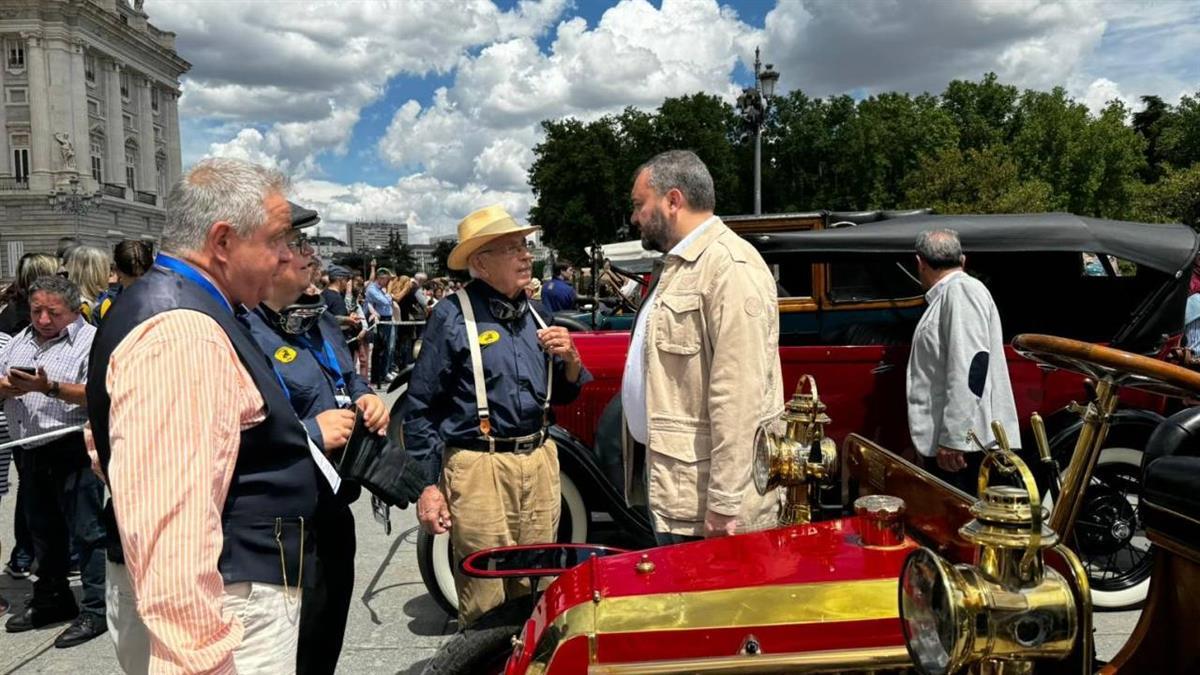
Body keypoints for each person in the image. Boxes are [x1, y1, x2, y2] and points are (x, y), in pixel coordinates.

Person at [86, 157, 320, 673]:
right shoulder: (183, 333)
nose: (286, 257)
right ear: (222, 242)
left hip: (233, 584)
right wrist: (200, 659)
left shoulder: (171, 306)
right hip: (225, 604)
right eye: (277, 239)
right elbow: (174, 542)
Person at [403, 204, 590, 626]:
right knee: (486, 590)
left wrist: (572, 359)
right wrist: (427, 488)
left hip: (540, 461)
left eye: (524, 246)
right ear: (481, 263)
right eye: (511, 248)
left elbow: (561, 395)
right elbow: (420, 408)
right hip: (478, 466)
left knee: (538, 582)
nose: (526, 255)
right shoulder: (452, 315)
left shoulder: (536, 313)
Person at [243, 204, 388, 675]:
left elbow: (350, 377)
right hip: (281, 527)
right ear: (270, 258)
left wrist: (369, 400)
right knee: (287, 654)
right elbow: (226, 435)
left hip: (333, 512)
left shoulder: (318, 319)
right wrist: (311, 432)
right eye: (299, 245)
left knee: (326, 643)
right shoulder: (242, 332)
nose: (311, 255)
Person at [621, 150, 784, 545]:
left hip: (704, 504)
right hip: (679, 489)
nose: (634, 218)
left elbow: (740, 396)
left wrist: (725, 502)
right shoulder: (679, 266)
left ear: (673, 201)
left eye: (640, 205)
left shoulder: (730, 267)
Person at [1, 275, 105, 648]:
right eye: (36, 310)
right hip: (29, 449)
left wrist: (49, 388)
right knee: (42, 532)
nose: (43, 320)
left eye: (53, 312)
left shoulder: (92, 342)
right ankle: (52, 599)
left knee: (88, 533)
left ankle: (96, 609)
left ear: (74, 311)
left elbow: (101, 396)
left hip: (72, 449)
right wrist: (7, 387)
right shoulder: (18, 340)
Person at [906, 228, 1020, 493]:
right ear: (963, 260)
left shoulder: (960, 292)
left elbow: (970, 366)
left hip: (964, 449)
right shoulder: (954, 293)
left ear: (919, 263)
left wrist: (955, 437)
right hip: (961, 444)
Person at [95, 240, 154, 324]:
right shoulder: (106, 308)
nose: (138, 281)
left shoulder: (162, 304)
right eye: (132, 276)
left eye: (142, 274)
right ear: (118, 271)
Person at [64, 245, 112, 325]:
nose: (109, 274)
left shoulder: (103, 298)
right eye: (106, 269)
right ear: (97, 272)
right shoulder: (76, 307)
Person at [364, 266, 394, 385]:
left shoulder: (381, 289)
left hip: (386, 319)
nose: (388, 282)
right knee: (379, 349)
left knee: (385, 348)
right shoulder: (372, 289)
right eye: (387, 279)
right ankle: (376, 377)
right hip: (379, 321)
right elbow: (386, 302)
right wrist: (389, 293)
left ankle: (382, 373)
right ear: (380, 278)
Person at [321, 265, 360, 348]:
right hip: (337, 342)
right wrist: (348, 320)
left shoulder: (324, 294)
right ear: (340, 280)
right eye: (346, 280)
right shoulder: (335, 297)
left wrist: (349, 316)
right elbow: (328, 319)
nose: (347, 283)